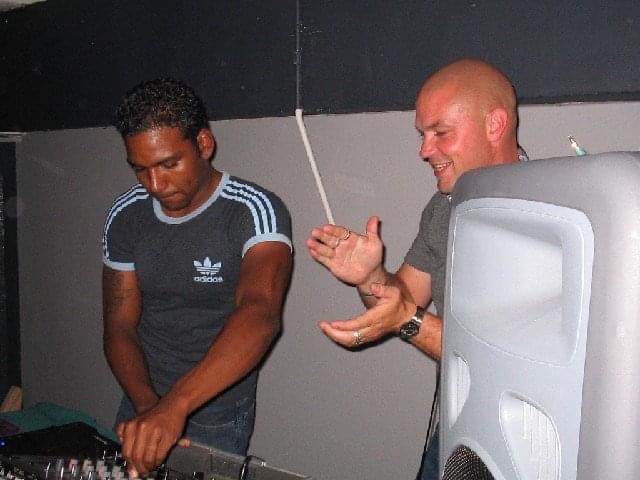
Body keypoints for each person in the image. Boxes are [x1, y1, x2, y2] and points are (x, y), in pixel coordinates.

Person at [306, 58, 525, 479]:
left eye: (441, 132)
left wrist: (407, 320)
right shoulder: (443, 207)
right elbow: (403, 297)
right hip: (454, 430)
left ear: (495, 124)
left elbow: (502, 362)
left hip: (521, 446)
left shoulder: (548, 213)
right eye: (423, 135)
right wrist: (370, 277)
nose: (424, 150)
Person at [102, 78, 292, 476]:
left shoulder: (254, 210)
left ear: (203, 144)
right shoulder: (126, 214)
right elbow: (119, 325)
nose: (155, 185)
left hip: (216, 409)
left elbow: (259, 313)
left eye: (169, 164)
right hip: (142, 400)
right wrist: (148, 407)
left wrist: (175, 406)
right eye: (141, 169)